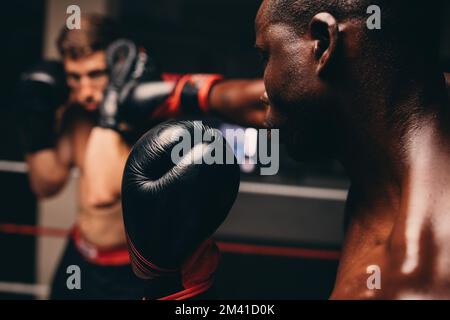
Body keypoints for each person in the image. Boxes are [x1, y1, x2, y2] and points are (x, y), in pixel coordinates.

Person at [17, 14, 266, 299]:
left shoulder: (149, 109)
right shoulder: (77, 115)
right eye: (75, 77)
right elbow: (46, 184)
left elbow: (100, 193)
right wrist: (35, 127)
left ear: (120, 64)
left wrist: (112, 111)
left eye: (95, 75)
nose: (85, 92)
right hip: (80, 257)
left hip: (131, 270)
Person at [255, 0, 450, 299]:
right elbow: (285, 97)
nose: (262, 93)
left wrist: (175, 287)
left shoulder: (411, 281)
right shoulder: (420, 98)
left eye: (266, 54)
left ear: (322, 44)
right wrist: (185, 93)